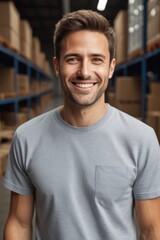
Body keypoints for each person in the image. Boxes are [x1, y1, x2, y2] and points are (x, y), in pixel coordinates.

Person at [3, 9, 160, 240]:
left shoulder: (141, 139)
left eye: (96, 59)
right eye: (73, 59)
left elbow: (151, 230)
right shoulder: (27, 138)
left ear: (111, 67)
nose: (85, 72)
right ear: (57, 66)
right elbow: (19, 224)